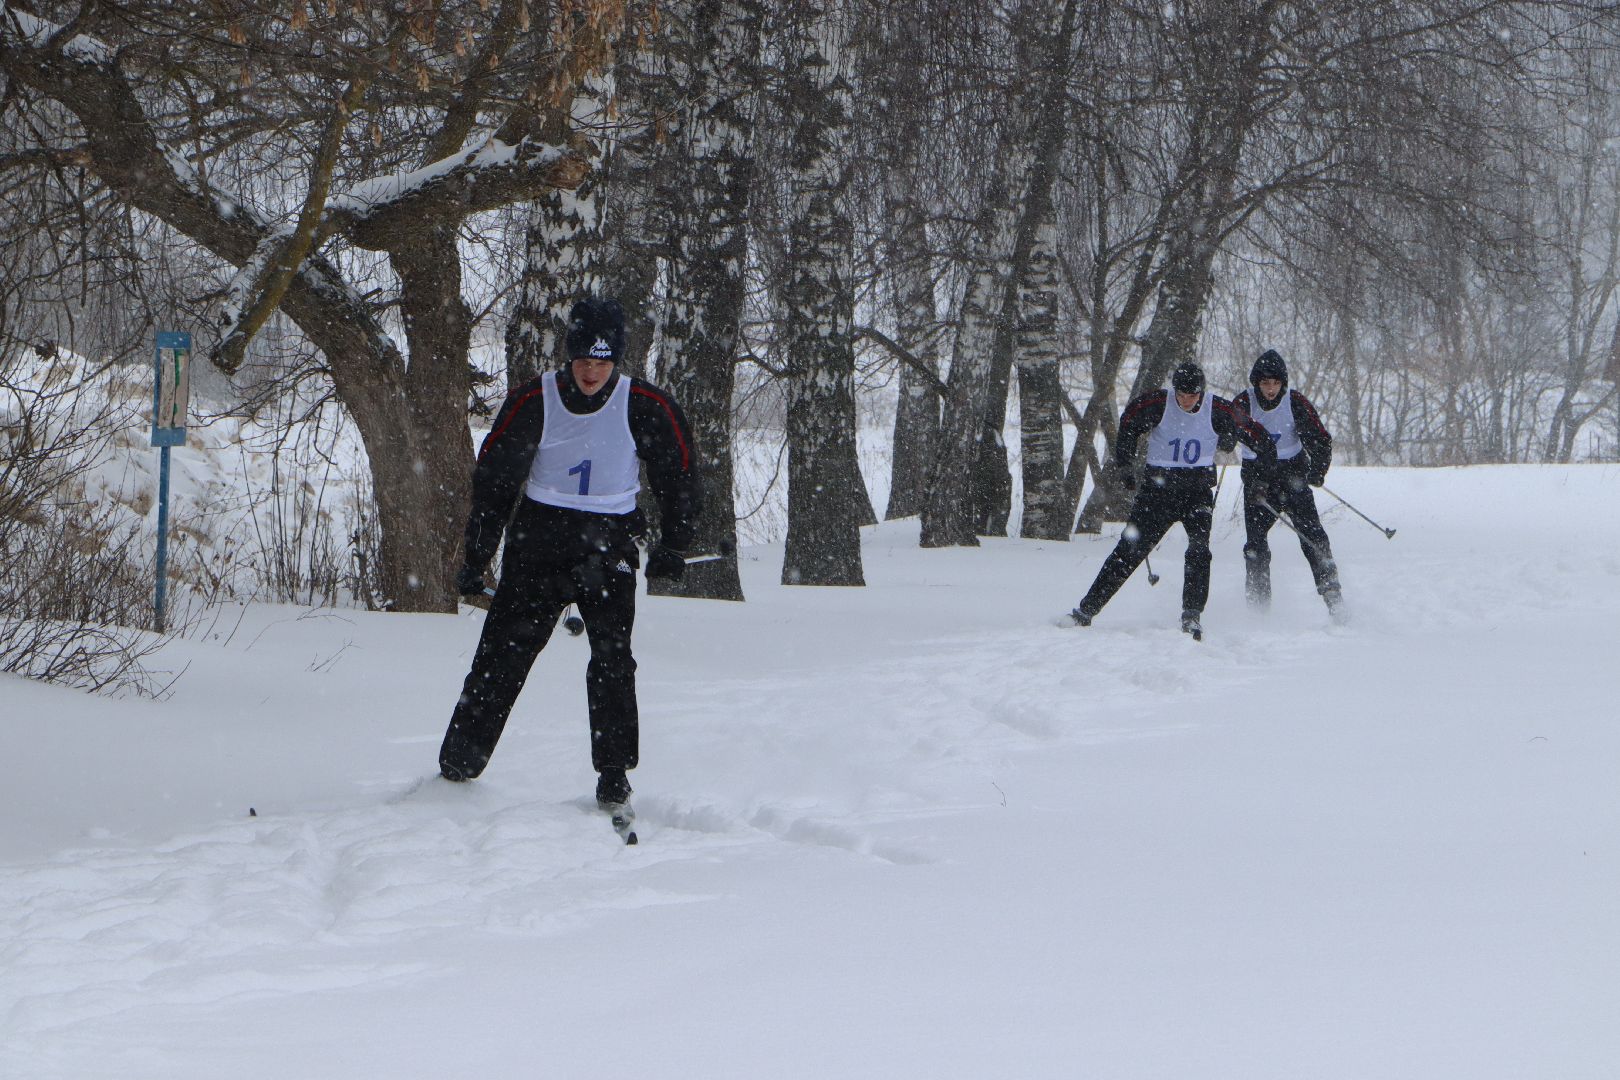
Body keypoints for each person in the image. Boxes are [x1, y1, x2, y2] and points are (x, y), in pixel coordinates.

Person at [438, 296, 702, 830]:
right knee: (503, 653)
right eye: (582, 361)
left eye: (602, 363)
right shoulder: (533, 400)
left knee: (612, 660)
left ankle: (613, 774)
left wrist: (675, 545)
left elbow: (679, 476)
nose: (591, 372)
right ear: (569, 357)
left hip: (609, 543)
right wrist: (477, 556)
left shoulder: (646, 404)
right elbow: (493, 482)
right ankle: (458, 766)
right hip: (540, 539)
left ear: (617, 362)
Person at [1068, 361, 1276, 639]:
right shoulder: (1156, 403)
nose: (1186, 401)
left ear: (1201, 393)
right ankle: (1085, 611)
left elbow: (1260, 438)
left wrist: (1260, 481)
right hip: (1157, 492)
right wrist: (1125, 465)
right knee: (1129, 551)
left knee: (1199, 550)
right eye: (1181, 395)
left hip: (1197, 491)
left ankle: (1191, 616)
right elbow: (1129, 422)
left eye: (1192, 396)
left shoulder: (1220, 409)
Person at [1233, 348, 1344, 620]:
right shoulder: (1243, 404)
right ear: (1256, 383)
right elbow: (1225, 430)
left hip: (1292, 477)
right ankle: (1258, 609)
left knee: (1314, 537)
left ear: (1283, 383)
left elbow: (1320, 439)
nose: (1270, 389)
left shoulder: (1295, 403)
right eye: (1265, 383)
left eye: (1276, 383)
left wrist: (1318, 470)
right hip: (1259, 481)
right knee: (1255, 546)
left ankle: (1333, 598)